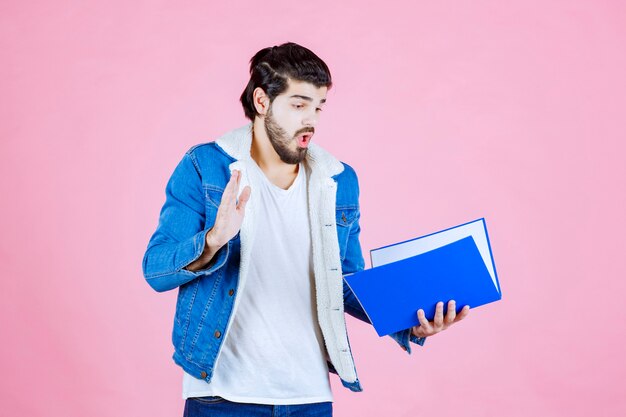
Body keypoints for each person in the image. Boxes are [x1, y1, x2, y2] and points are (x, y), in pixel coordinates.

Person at [141, 42, 470, 417]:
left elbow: (344, 282)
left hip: (309, 398)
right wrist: (214, 239)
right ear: (262, 102)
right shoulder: (205, 167)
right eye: (298, 105)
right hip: (222, 396)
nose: (310, 119)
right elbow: (156, 270)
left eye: (318, 106)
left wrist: (410, 322)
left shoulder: (338, 180)